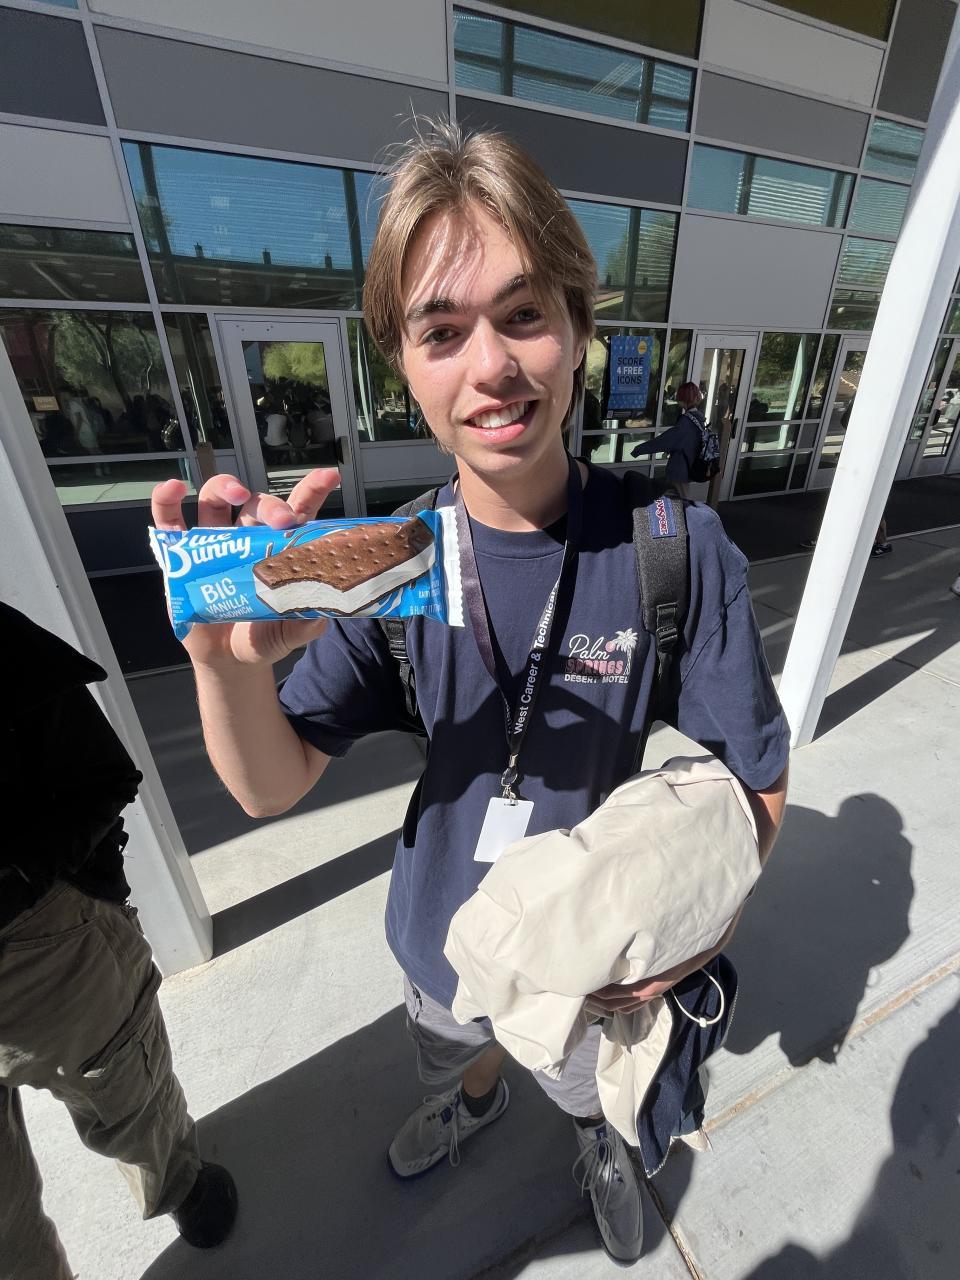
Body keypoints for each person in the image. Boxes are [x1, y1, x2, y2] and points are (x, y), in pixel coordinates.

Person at [151, 121, 789, 1266]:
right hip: (437, 946)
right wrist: (224, 666)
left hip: (590, 963)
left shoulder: (670, 547)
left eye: (523, 313)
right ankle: (473, 1095)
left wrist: (692, 940)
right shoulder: (385, 563)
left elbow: (758, 782)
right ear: (404, 365)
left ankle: (600, 1140)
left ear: (578, 329)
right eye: (442, 331)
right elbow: (268, 785)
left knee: (588, 1087)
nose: (490, 365)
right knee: (455, 1050)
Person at [0, 604, 237, 1280]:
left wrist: (35, 878)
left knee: (127, 1098)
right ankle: (182, 1185)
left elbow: (101, 776)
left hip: (32, 943)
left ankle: (179, 1185)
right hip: (41, 940)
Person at [629, 381, 707, 497]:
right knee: (679, 500)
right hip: (689, 467)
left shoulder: (686, 422)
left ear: (683, 399)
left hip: (680, 470)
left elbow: (665, 441)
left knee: (678, 501)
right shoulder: (698, 420)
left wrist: (639, 449)